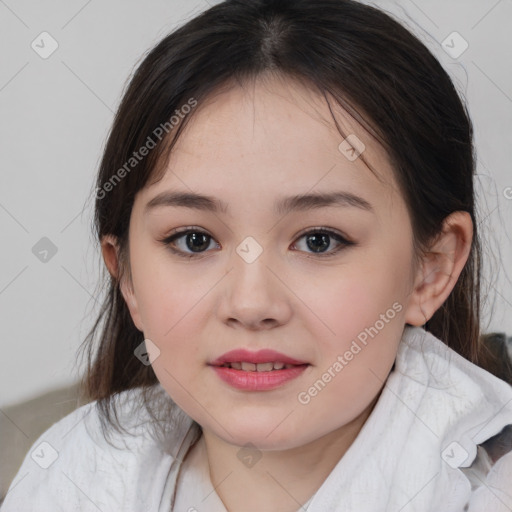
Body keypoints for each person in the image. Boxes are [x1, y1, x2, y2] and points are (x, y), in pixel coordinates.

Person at [2, 0, 512, 510]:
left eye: (319, 240)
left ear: (432, 269)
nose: (250, 304)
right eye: (194, 240)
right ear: (128, 277)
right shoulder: (69, 474)